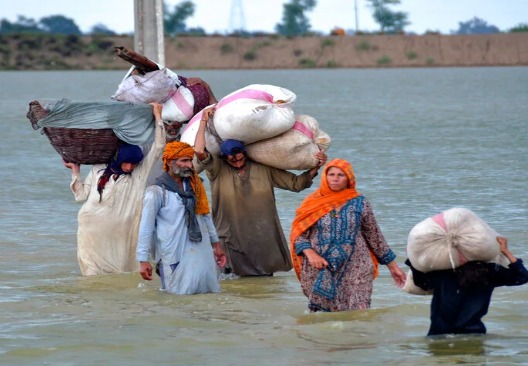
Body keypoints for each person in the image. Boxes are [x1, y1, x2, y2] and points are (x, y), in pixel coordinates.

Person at [192, 107, 327, 277]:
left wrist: (316, 166)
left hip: (262, 236)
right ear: (225, 158)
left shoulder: (263, 168)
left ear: (245, 154)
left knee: (263, 280)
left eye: (240, 158)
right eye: (232, 160)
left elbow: (296, 184)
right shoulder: (217, 170)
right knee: (230, 280)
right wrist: (203, 121)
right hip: (229, 235)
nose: (237, 162)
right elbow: (198, 151)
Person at [290, 159, 406, 312]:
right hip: (319, 266)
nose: (335, 178)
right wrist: (310, 254)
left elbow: (375, 236)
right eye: (331, 174)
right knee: (322, 318)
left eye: (341, 175)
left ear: (349, 179)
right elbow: (298, 235)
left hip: (357, 267)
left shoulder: (360, 202)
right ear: (325, 177)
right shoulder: (312, 203)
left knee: (360, 313)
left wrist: (393, 267)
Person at [65, 102, 166, 276]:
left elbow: (158, 147)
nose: (130, 167)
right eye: (127, 162)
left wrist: (158, 117)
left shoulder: (139, 174)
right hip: (91, 229)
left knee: (123, 270)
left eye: (134, 163)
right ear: (119, 158)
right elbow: (81, 196)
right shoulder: (98, 169)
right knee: (91, 273)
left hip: (121, 231)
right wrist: (76, 171)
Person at [136, 141, 227, 295]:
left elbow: (205, 216)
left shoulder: (195, 186)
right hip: (172, 254)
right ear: (170, 163)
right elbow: (146, 227)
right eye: (184, 160)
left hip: (200, 249)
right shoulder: (156, 191)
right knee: (176, 298)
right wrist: (143, 260)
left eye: (190, 160)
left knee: (205, 294)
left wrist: (216, 245)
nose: (190, 165)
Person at [406, 236, 528, 336]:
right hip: (473, 335)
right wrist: (505, 251)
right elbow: (523, 276)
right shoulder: (490, 272)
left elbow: (422, 283)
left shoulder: (443, 271)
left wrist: (413, 258)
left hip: (439, 334)